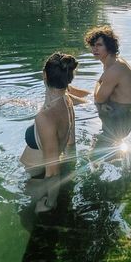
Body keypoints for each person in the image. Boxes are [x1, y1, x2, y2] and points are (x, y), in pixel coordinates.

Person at [20, 52, 78, 212]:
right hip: (40, 175)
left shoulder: (45, 118)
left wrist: (49, 204)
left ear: (44, 75)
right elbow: (71, 142)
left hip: (37, 181)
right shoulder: (67, 101)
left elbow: (52, 172)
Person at [84, 25, 131, 143]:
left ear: (109, 46)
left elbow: (98, 99)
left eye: (99, 45)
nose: (94, 49)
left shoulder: (114, 69)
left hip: (119, 115)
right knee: (81, 96)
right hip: (122, 111)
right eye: (93, 45)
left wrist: (99, 82)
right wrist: (100, 83)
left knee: (87, 103)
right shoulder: (115, 61)